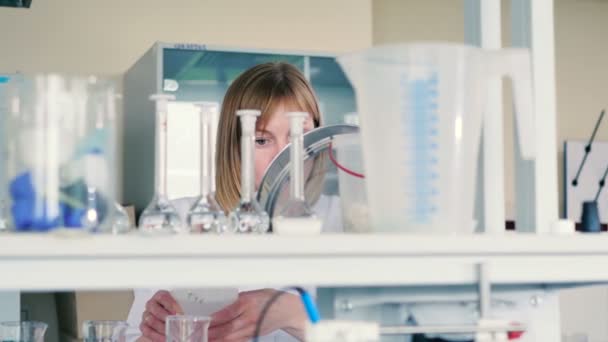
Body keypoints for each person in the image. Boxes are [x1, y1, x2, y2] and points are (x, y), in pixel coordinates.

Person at [127, 62, 338, 342]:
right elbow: (133, 337)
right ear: (233, 146)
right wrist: (160, 334)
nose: (285, 156)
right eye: (262, 140)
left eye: (299, 136)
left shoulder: (343, 218)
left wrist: (291, 312)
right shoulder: (180, 219)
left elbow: (386, 333)